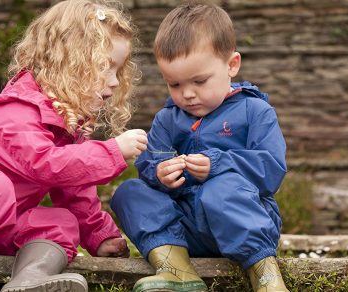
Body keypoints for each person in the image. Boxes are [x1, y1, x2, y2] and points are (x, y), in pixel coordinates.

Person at [0, 1, 148, 291]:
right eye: (105, 67)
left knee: (61, 221)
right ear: (70, 61)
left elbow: (73, 186)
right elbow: (46, 164)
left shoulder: (64, 124)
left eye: (117, 71)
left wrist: (99, 234)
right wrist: (112, 151)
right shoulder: (16, 111)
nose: (112, 82)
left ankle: (29, 280)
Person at [111, 2, 289, 292]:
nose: (188, 94)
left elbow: (271, 170)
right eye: (175, 84)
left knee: (219, 189)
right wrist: (160, 174)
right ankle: (175, 268)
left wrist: (218, 164)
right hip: (186, 232)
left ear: (232, 65)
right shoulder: (168, 119)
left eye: (199, 81)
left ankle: (266, 276)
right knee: (129, 192)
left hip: (243, 224)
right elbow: (150, 164)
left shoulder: (255, 111)